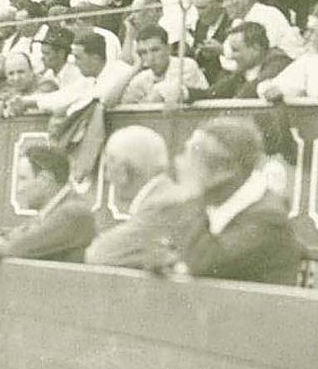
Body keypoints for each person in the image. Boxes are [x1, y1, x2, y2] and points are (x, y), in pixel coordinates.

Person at [173, 117, 304, 284]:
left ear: (225, 170)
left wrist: (190, 195)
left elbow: (201, 263)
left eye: (195, 156)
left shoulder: (268, 219)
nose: (181, 163)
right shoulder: (216, 203)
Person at [84, 125, 194, 269]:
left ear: (123, 169)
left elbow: (98, 254)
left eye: (108, 166)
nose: (106, 177)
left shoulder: (161, 204)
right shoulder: (166, 195)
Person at [0, 144, 95, 263]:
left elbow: (24, 245)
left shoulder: (72, 212)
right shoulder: (56, 209)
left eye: (23, 179)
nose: (19, 189)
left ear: (45, 180)